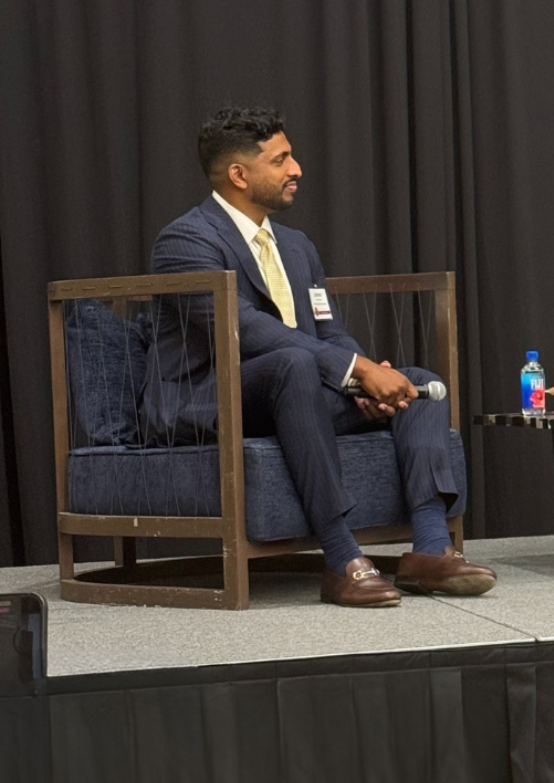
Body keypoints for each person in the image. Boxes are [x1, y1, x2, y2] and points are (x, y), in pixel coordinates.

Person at [141, 106, 496, 606]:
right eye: (281, 159)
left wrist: (364, 378)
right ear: (239, 175)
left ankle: (430, 549)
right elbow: (245, 329)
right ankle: (339, 556)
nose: (297, 169)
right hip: (206, 402)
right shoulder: (185, 241)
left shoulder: (296, 246)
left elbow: (329, 329)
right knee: (295, 365)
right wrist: (355, 372)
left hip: (298, 390)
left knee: (418, 384)